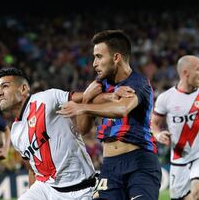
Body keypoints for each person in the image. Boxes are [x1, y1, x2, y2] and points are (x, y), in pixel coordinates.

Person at [57, 29, 162, 200]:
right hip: (110, 166)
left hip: (139, 162)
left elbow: (121, 110)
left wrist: (83, 106)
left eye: (99, 56)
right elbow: (83, 129)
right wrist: (88, 98)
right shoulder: (99, 85)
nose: (94, 63)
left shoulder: (138, 82)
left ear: (116, 57)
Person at [0, 67, 97, 200]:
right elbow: (33, 170)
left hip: (81, 187)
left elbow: (85, 97)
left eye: (5, 86)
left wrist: (113, 94)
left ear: (23, 89)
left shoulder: (46, 98)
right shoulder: (15, 132)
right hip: (48, 188)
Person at [151, 55, 199, 200]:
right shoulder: (165, 98)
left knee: (198, 194)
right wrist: (157, 134)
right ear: (185, 72)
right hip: (179, 158)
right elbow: (154, 123)